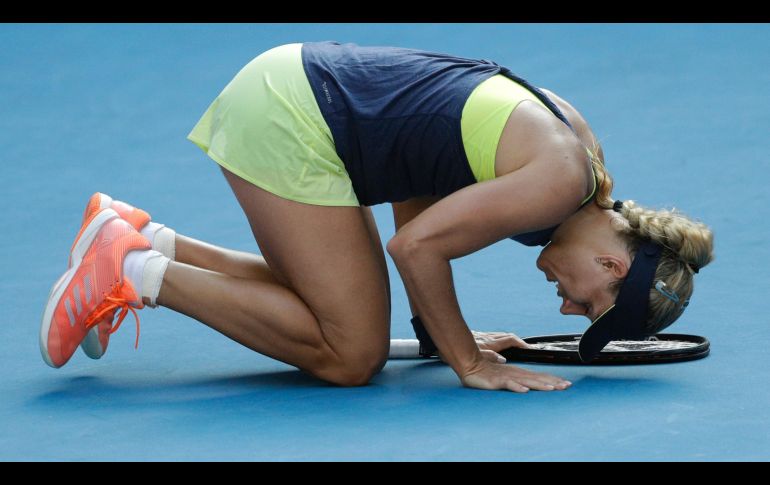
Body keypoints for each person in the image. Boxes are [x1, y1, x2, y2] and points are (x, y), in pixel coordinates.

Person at [40, 42, 714, 393]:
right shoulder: (561, 180)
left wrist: (436, 333)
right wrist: (467, 362)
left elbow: (425, 169)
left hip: (301, 90)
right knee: (350, 352)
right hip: (297, 115)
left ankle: (146, 236)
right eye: (591, 304)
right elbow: (416, 245)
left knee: (338, 309)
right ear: (612, 263)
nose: (570, 310)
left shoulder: (582, 165)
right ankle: (130, 270)